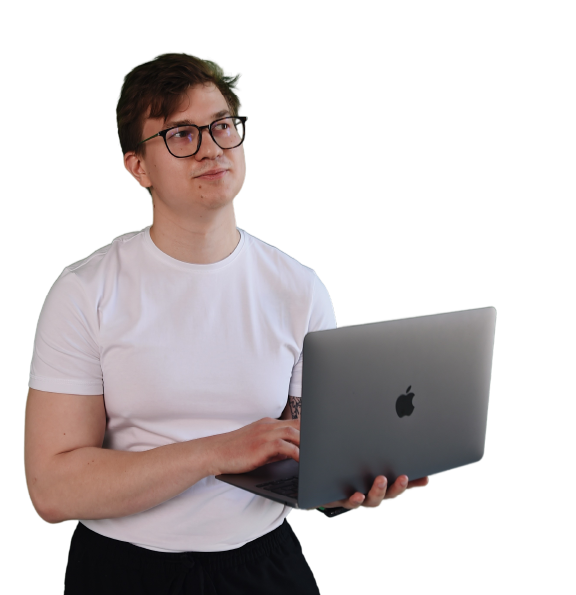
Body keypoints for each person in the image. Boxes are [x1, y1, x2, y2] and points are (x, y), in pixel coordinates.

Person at [24, 52, 429, 594]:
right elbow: (53, 490)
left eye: (222, 126)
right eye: (181, 134)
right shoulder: (84, 291)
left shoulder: (299, 288)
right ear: (137, 167)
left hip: (261, 564)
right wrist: (218, 451)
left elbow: (302, 456)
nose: (212, 147)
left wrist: (352, 485)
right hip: (123, 570)